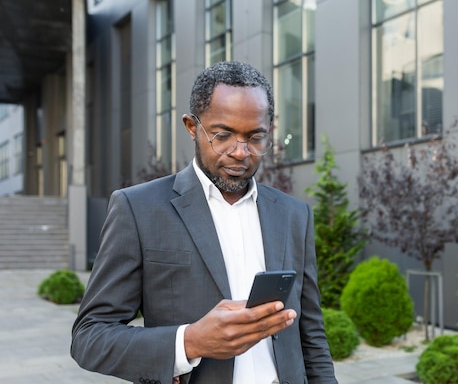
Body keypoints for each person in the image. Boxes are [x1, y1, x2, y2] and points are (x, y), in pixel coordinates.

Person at [71, 61, 338, 384]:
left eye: (255, 138)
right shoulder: (138, 209)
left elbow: (311, 334)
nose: (240, 152)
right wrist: (190, 340)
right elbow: (90, 338)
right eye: (222, 135)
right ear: (191, 127)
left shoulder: (295, 214)